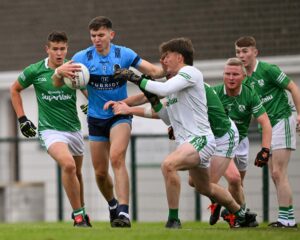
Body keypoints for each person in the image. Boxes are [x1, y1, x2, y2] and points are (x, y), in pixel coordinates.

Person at [112, 37, 252, 228]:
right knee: (205, 187)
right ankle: (241, 213)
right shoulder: (175, 85)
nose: (162, 61)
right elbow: (166, 117)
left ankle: (173, 220)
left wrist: (135, 77)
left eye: (166, 56)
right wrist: (151, 100)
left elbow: (163, 88)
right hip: (189, 142)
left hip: (202, 139)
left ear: (179, 57)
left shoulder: (190, 72)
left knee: (168, 165)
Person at [53, 16, 165, 228]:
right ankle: (113, 205)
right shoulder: (82, 57)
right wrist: (60, 72)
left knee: (117, 158)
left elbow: (153, 71)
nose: (97, 39)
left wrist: (171, 70)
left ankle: (123, 213)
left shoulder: (124, 54)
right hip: (95, 118)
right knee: (100, 173)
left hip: (120, 113)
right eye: (93, 35)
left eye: (101, 35)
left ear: (111, 35)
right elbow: (58, 82)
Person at [10, 31, 91, 227]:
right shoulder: (35, 70)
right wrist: (22, 119)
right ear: (47, 49)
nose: (59, 52)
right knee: (69, 165)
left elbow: (87, 92)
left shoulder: (75, 69)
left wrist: (92, 106)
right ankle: (79, 217)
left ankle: (81, 211)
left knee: (77, 173)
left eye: (62, 48)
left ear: (67, 49)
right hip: (49, 130)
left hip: (73, 129)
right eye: (55, 49)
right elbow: (14, 90)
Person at [235, 36, 300, 228]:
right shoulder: (244, 80)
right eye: (238, 52)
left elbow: (293, 87)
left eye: (245, 51)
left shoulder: (268, 70)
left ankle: (287, 220)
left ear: (255, 52)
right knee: (274, 173)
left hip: (282, 119)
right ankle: (286, 218)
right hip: (268, 128)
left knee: (279, 172)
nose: (241, 55)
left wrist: (299, 114)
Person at [213, 57, 272, 224]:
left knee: (238, 185)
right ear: (223, 75)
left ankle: (228, 210)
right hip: (221, 142)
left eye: (235, 74)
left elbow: (265, 122)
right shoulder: (215, 93)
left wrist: (265, 149)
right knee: (234, 179)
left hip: (241, 142)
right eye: (227, 74)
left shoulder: (249, 94)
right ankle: (243, 215)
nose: (231, 78)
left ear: (244, 77)